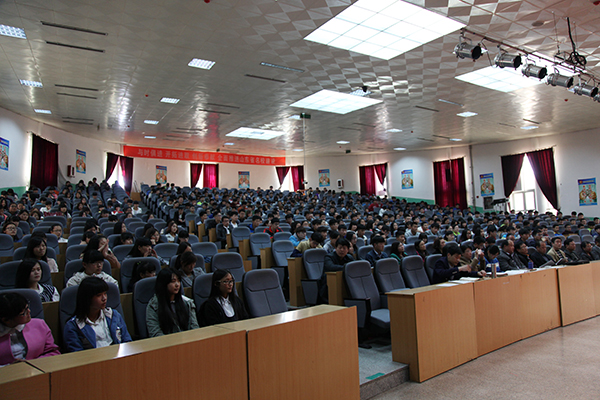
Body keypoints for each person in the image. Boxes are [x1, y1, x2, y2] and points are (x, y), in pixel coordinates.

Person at [63, 277, 131, 352]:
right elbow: (77, 354)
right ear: (87, 298)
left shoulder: (114, 315)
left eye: (105, 293)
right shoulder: (73, 326)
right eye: (99, 295)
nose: (104, 298)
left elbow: (127, 341)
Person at [0, 292, 60, 365]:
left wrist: (31, 364)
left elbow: (53, 352)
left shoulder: (40, 325)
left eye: (27, 308)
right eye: (23, 313)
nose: (29, 311)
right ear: (6, 320)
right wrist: (9, 367)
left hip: (39, 367)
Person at [146, 268, 199, 337]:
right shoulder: (153, 306)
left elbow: (195, 328)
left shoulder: (187, 303)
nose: (177, 285)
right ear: (164, 284)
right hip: (166, 342)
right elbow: (155, 333)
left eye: (178, 281)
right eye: (173, 281)